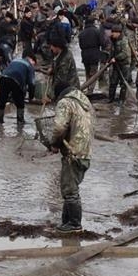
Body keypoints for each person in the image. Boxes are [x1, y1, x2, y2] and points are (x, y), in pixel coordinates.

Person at [40, 81, 95, 233]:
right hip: (85, 151)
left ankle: (75, 224)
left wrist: (55, 144)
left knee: (70, 190)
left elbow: (59, 127)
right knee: (69, 186)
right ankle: (66, 221)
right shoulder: (84, 102)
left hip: (73, 151)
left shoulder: (65, 102)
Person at [0, 48, 37, 124]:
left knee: (2, 100)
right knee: (20, 102)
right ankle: (20, 121)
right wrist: (31, 97)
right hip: (15, 81)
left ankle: (0, 121)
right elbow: (32, 83)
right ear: (32, 60)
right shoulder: (30, 66)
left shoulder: (15, 60)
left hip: (3, 78)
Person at [78, 14, 105, 93]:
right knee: (93, 73)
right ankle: (90, 90)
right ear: (93, 23)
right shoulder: (97, 31)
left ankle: (86, 88)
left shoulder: (81, 33)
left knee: (87, 72)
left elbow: (80, 45)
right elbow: (102, 43)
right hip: (94, 54)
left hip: (85, 54)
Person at [47, 33, 79, 97]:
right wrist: (52, 70)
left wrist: (50, 95)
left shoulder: (66, 58)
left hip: (70, 89)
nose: (51, 48)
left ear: (57, 47)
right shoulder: (58, 54)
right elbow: (54, 65)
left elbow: (60, 79)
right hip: (63, 87)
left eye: (52, 46)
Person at [107, 24, 132, 104]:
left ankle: (121, 100)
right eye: (112, 32)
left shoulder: (124, 41)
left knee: (124, 83)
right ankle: (110, 99)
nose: (112, 34)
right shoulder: (113, 40)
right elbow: (112, 51)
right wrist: (109, 59)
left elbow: (125, 53)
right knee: (113, 82)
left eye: (113, 32)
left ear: (118, 33)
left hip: (124, 64)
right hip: (115, 64)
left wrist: (116, 58)